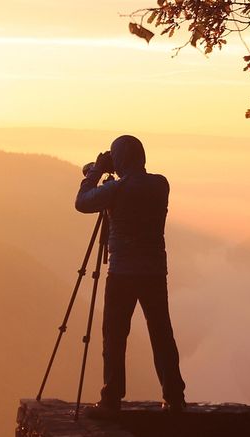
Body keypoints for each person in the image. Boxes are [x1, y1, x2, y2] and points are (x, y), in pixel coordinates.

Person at [75, 135, 186, 417]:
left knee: (114, 335)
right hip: (154, 272)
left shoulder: (116, 188)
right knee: (162, 334)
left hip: (122, 272)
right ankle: (174, 398)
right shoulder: (161, 184)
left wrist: (95, 171)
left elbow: (82, 202)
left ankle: (111, 399)